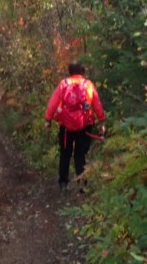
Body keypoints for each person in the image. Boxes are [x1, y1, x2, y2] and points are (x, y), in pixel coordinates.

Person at [45, 61, 105, 191]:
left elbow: (53, 103)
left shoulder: (63, 84)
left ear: (69, 72)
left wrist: (48, 119)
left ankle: (63, 183)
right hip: (85, 125)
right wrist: (101, 121)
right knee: (80, 154)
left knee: (65, 154)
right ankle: (82, 183)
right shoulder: (88, 85)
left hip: (66, 127)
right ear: (82, 71)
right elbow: (97, 104)